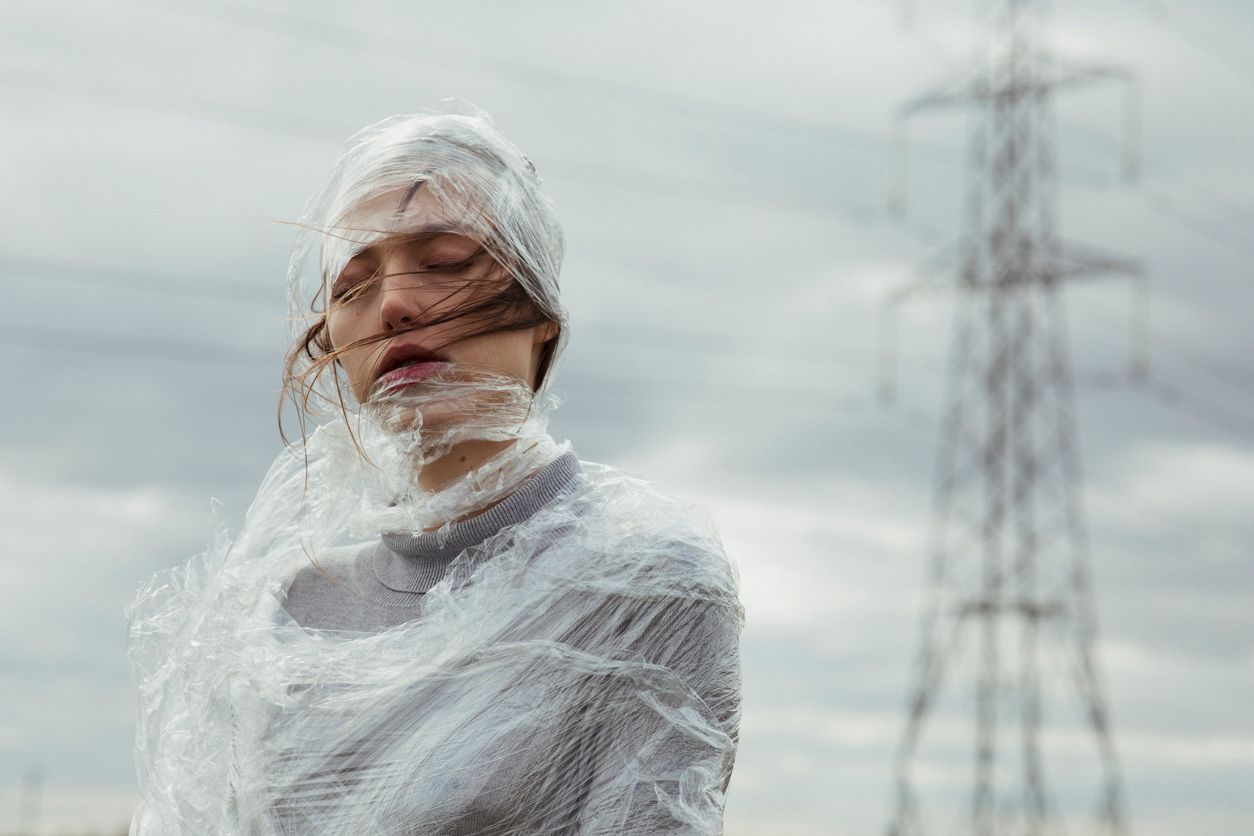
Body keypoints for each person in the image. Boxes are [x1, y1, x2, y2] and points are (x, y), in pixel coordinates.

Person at [128, 101, 743, 835]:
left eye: (445, 262)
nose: (393, 305)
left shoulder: (639, 583)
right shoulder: (292, 608)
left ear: (542, 310)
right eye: (351, 287)